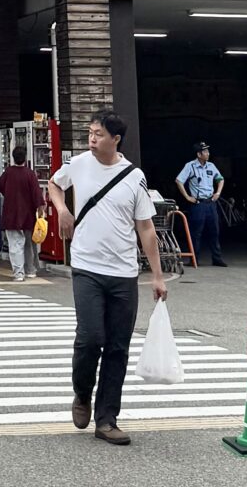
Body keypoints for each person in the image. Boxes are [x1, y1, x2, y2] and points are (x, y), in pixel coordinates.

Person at [48, 114, 168, 446]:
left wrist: (157, 276)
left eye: (98, 134)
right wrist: (62, 210)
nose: (92, 138)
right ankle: (82, 393)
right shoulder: (79, 164)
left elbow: (146, 229)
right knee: (90, 338)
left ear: (115, 139)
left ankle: (107, 419)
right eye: (90, 133)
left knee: (117, 347)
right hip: (86, 267)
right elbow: (54, 184)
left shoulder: (134, 177)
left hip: (124, 274)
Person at [0, 142, 45, 283]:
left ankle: (19, 273)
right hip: (28, 215)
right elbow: (37, 194)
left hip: (11, 214)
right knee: (29, 243)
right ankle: (30, 270)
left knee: (15, 244)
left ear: (13, 158)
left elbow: (1, 187)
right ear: (25, 158)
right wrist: (40, 209)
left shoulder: (8, 173)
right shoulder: (30, 174)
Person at [175, 142, 227, 267]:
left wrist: (218, 193)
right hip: (198, 204)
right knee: (196, 232)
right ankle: (195, 258)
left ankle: (217, 258)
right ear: (199, 154)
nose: (208, 154)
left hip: (210, 202)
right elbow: (179, 180)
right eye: (205, 152)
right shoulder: (190, 166)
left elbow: (220, 179)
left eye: (208, 151)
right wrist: (187, 197)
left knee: (214, 230)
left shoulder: (211, 166)